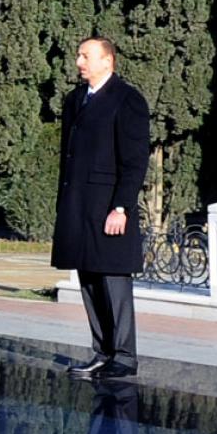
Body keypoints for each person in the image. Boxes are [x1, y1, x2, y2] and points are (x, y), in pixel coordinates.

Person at [55, 37, 149, 380]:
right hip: (78, 207)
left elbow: (135, 161)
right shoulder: (75, 100)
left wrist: (121, 207)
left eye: (85, 56)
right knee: (88, 279)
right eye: (78, 54)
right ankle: (102, 352)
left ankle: (124, 357)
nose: (79, 61)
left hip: (109, 207)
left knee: (113, 281)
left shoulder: (127, 100)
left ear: (107, 61)